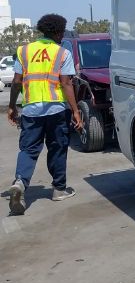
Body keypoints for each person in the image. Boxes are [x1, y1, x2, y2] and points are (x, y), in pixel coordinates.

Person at [7, 14, 83, 215]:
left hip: (31, 110)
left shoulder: (23, 51)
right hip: (56, 110)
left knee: (28, 149)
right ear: (58, 32)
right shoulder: (62, 53)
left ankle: (20, 183)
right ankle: (58, 189)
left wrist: (12, 106)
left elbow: (16, 81)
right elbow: (66, 83)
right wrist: (75, 111)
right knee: (57, 148)